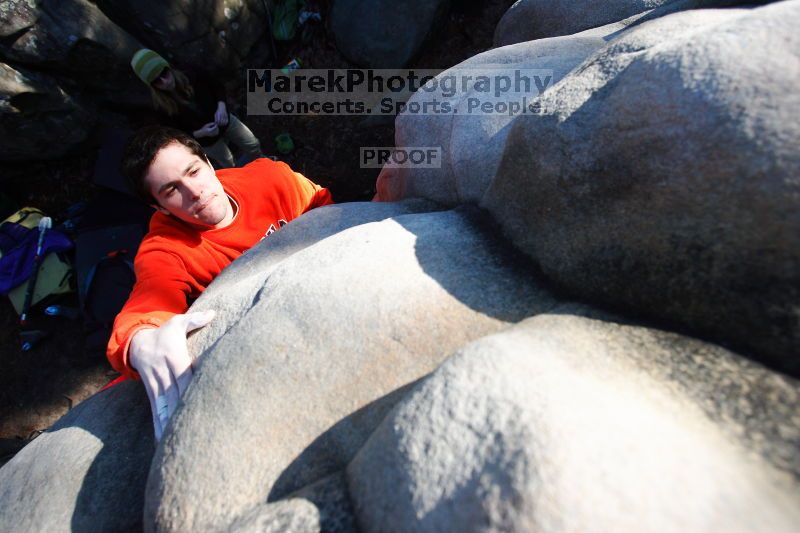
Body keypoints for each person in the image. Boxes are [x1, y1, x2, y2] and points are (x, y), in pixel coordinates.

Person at [108, 126, 333, 439]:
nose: (195, 192)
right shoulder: (166, 249)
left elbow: (326, 209)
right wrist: (140, 340)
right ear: (158, 207)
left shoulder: (271, 179)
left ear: (209, 164)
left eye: (194, 171)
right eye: (172, 190)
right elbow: (146, 305)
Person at [130, 48, 264, 168]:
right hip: (206, 141)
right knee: (228, 163)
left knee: (252, 144)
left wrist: (221, 107)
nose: (165, 82)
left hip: (225, 120)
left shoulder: (191, 72)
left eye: (164, 73)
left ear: (168, 67)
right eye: (157, 81)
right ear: (152, 86)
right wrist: (201, 133)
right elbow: (175, 133)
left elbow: (216, 85)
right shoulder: (160, 108)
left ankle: (264, 165)